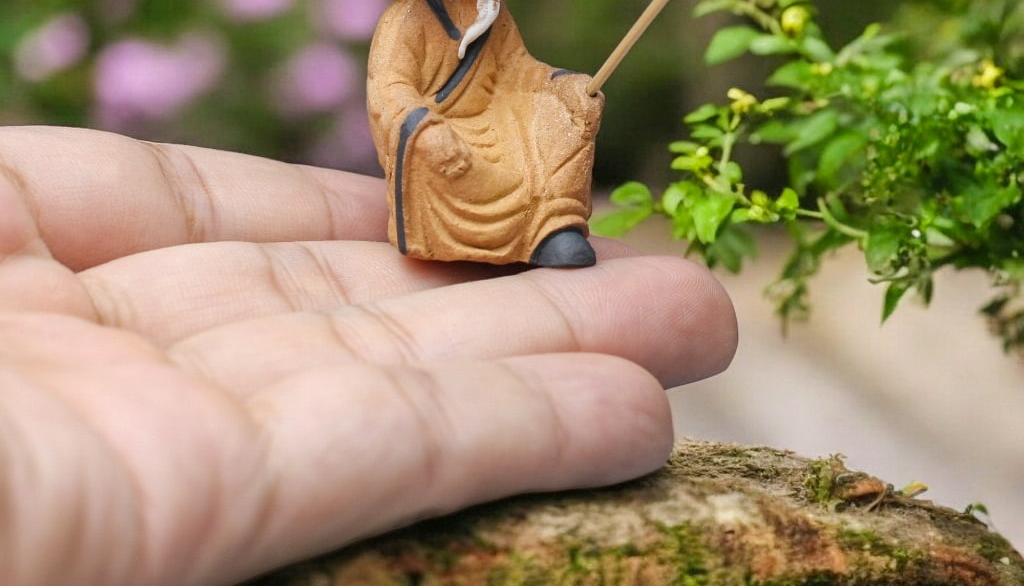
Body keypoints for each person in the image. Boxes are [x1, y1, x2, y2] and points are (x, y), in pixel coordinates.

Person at [0, 124, 737, 586]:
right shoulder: (414, 24)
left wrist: (554, 98)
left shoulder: (491, 19)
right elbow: (399, 99)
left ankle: (534, 228)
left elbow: (517, 82)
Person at [364, 0, 605, 268]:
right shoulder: (406, 18)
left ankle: (554, 226)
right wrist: (427, 129)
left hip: (498, 115)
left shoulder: (493, 11)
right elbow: (389, 89)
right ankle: (471, 237)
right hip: (443, 128)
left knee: (566, 118)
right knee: (457, 159)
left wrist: (565, 85)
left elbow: (517, 67)